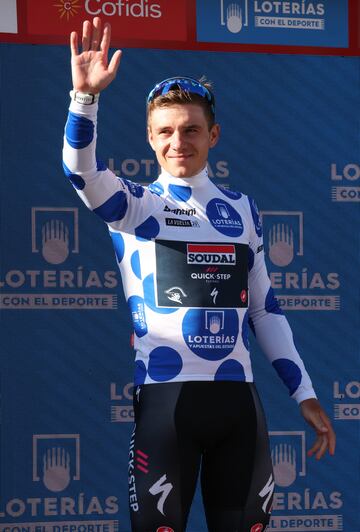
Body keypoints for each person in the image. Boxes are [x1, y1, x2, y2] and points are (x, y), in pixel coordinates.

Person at [63, 17, 336, 532]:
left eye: (191, 129)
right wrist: (84, 99)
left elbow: (264, 311)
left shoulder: (244, 211)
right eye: (165, 131)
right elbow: (80, 171)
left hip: (239, 406)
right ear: (149, 137)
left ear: (213, 135)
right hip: (167, 406)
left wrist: (305, 394)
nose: (178, 142)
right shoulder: (137, 205)